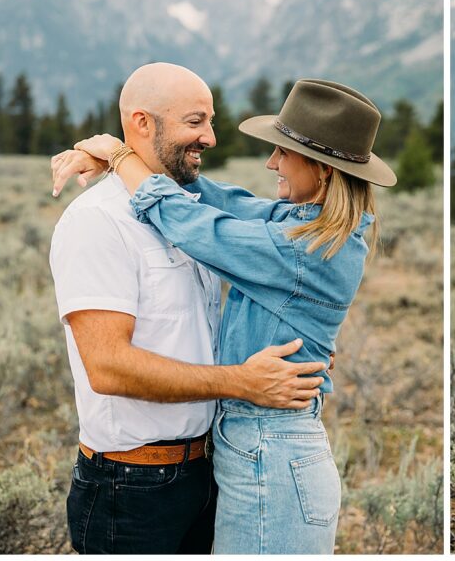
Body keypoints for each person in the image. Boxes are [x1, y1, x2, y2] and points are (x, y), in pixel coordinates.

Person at [53, 72, 396, 555]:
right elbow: (218, 200)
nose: (270, 161)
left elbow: (192, 222)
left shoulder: (303, 246)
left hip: (266, 453)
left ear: (323, 169)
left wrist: (124, 157)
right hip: (214, 460)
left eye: (284, 152)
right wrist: (117, 156)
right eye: (197, 121)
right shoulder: (296, 223)